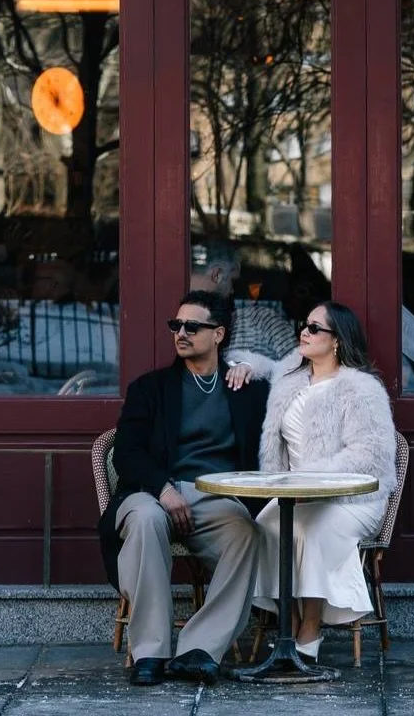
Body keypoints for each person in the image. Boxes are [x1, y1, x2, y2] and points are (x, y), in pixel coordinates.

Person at [98, 289, 269, 687]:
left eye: (193, 326)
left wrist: (254, 366)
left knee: (247, 532)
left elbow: (295, 379)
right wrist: (163, 489)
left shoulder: (246, 390)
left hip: (214, 496)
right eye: (177, 325)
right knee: (144, 520)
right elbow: (127, 453)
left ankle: (199, 650)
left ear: (220, 334)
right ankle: (150, 653)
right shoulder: (150, 388)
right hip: (151, 492)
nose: (182, 333)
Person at [247, 302, 397, 659]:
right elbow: (264, 365)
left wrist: (311, 481)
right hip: (294, 495)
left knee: (312, 530)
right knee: (265, 525)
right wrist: (243, 365)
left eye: (315, 328)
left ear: (337, 341)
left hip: (352, 498)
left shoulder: (361, 388)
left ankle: (310, 629)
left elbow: (370, 455)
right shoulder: (290, 379)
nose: (304, 332)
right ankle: (291, 625)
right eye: (304, 324)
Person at [190, 240, 298, 362]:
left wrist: (257, 367)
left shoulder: (261, 320)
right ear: (217, 275)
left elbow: (298, 366)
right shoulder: (182, 325)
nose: (232, 291)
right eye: (233, 282)